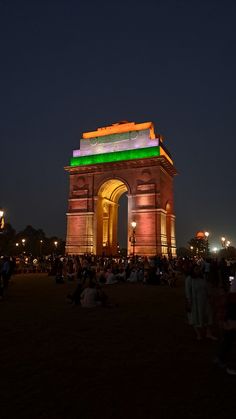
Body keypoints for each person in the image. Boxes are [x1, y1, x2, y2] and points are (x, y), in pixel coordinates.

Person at [185, 264, 217, 340]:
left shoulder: (202, 278)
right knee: (195, 317)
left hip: (205, 301)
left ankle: (208, 333)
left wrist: (209, 296)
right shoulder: (189, 279)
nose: (198, 271)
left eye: (198, 269)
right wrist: (189, 301)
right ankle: (198, 334)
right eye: (196, 269)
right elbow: (188, 291)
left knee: (208, 316)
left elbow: (206, 288)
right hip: (195, 301)